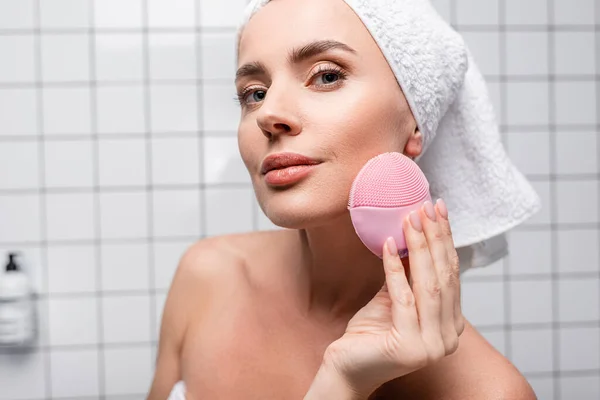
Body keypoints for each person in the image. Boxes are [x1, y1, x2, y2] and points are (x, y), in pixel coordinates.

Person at [147, 0, 540, 398]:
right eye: (254, 93)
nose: (269, 113)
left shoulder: (487, 392)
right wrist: (341, 385)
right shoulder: (206, 278)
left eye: (327, 75)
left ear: (416, 119)